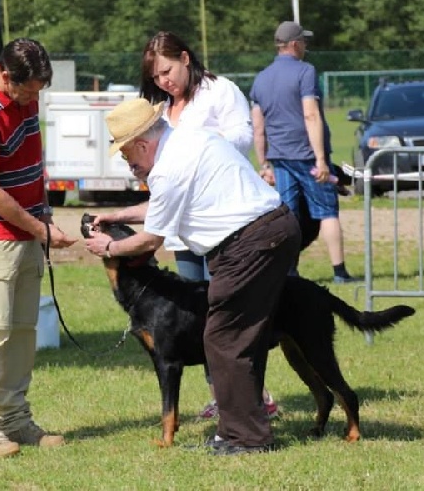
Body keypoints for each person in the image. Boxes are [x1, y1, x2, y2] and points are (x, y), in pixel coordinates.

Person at [85, 99, 301, 455]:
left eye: (127, 156)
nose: (130, 165)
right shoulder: (187, 141)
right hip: (267, 231)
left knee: (225, 338)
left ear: (141, 143)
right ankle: (237, 432)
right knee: (234, 335)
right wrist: (118, 214)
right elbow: (164, 206)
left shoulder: (169, 167)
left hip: (251, 242)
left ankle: (246, 438)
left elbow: (152, 239)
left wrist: (108, 248)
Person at [139, 30, 278, 420]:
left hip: (223, 224)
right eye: (156, 78)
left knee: (228, 312)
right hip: (187, 229)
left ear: (185, 58)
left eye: (167, 71)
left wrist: (196, 142)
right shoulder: (164, 109)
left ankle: (254, 396)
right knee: (195, 314)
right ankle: (221, 395)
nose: (164, 81)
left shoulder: (220, 90)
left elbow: (242, 138)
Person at [0, 38, 77, 458]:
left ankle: (15, 419)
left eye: (39, 90)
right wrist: (40, 229)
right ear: (6, 75)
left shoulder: (25, 95)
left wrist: (41, 218)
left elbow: (30, 164)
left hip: (25, 229)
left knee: (23, 331)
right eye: (28, 90)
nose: (33, 98)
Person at [250, 21, 358, 283]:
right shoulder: (305, 72)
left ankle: (289, 272)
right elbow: (310, 114)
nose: (306, 47)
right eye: (304, 42)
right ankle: (340, 273)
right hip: (307, 156)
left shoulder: (261, 78)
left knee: (290, 217)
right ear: (295, 44)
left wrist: (264, 164)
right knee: (327, 212)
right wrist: (321, 160)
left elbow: (258, 127)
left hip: (279, 158)